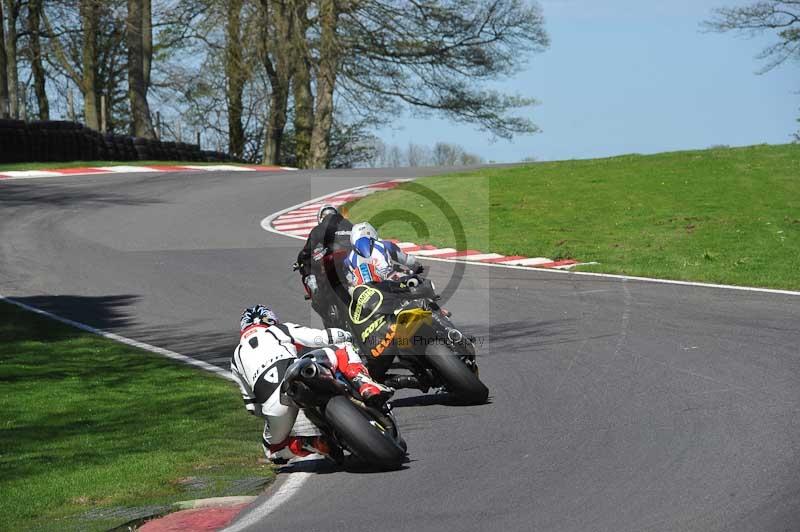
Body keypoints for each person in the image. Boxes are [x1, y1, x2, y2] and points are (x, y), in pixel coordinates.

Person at [230, 305, 393, 462]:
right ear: (270, 319)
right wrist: (347, 335)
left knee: (272, 450)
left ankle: (314, 444)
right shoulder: (276, 330)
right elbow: (321, 338)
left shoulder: (235, 359)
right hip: (295, 374)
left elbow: (252, 407)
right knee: (342, 347)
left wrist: (270, 415)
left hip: (275, 406)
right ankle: (366, 386)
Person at [344, 222, 423, 287]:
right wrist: (417, 266)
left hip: (365, 292)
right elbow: (408, 260)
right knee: (417, 281)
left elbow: (350, 280)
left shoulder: (348, 260)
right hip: (390, 284)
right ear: (371, 232)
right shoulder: (384, 245)